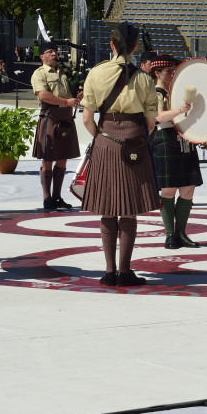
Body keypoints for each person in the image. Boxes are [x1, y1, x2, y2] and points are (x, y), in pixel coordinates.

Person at [80, 22, 159, 286]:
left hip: (105, 140)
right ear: (135, 47)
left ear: (111, 46)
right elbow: (151, 123)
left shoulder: (95, 73)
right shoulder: (146, 78)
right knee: (128, 211)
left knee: (107, 208)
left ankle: (109, 271)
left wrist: (101, 140)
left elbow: (87, 119)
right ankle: (125, 271)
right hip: (135, 140)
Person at [147, 52, 205, 249]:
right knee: (169, 190)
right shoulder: (156, 92)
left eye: (173, 70)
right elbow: (159, 117)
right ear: (157, 72)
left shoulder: (175, 91)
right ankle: (170, 234)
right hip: (166, 139)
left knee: (188, 188)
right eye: (168, 71)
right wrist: (181, 109)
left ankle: (181, 232)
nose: (172, 74)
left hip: (184, 139)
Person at [30, 44, 82, 211]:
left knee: (63, 158)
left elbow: (67, 94)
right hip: (50, 117)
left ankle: (57, 197)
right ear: (42, 57)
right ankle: (47, 198)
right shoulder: (40, 73)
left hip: (65, 117)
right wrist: (67, 102)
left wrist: (76, 97)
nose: (54, 54)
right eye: (49, 52)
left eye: (54, 51)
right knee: (48, 159)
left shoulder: (63, 72)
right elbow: (43, 95)